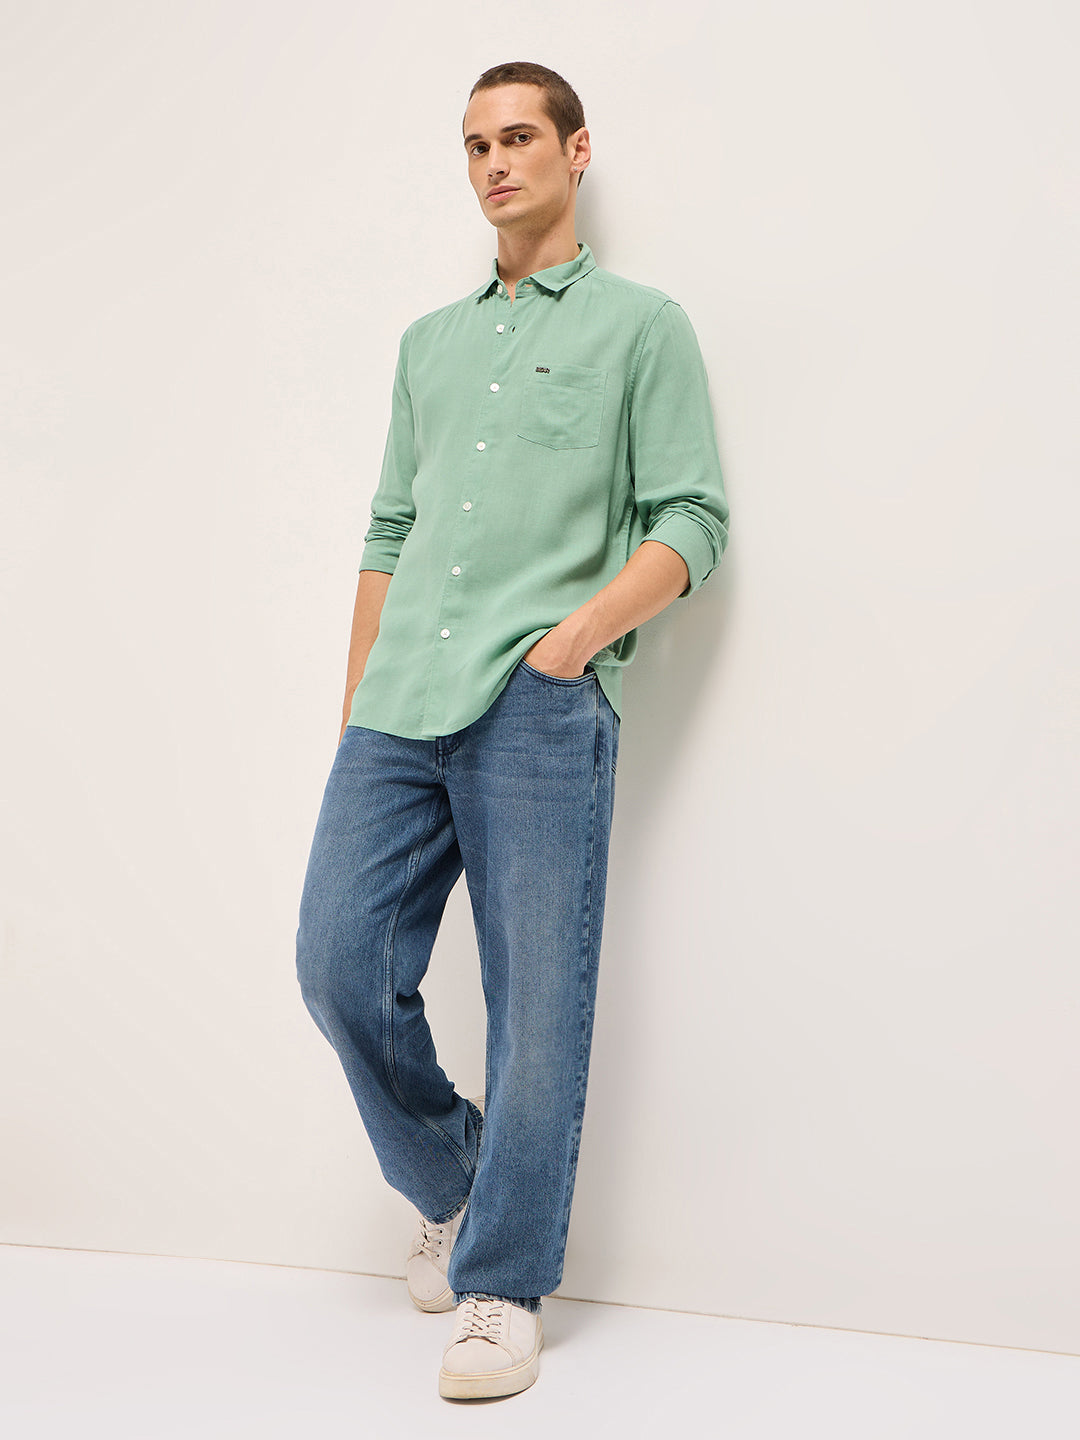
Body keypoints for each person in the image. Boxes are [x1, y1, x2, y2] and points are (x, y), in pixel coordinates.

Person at [295, 59, 729, 1401]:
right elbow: (388, 529)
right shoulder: (427, 345)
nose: (495, 162)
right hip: (397, 707)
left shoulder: (643, 328)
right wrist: (357, 697)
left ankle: (502, 1284)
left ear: (576, 151)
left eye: (520, 136)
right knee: (336, 964)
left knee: (538, 1005)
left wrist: (575, 641)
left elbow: (691, 520)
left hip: (537, 701)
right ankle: (459, 1183)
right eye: (476, 144)